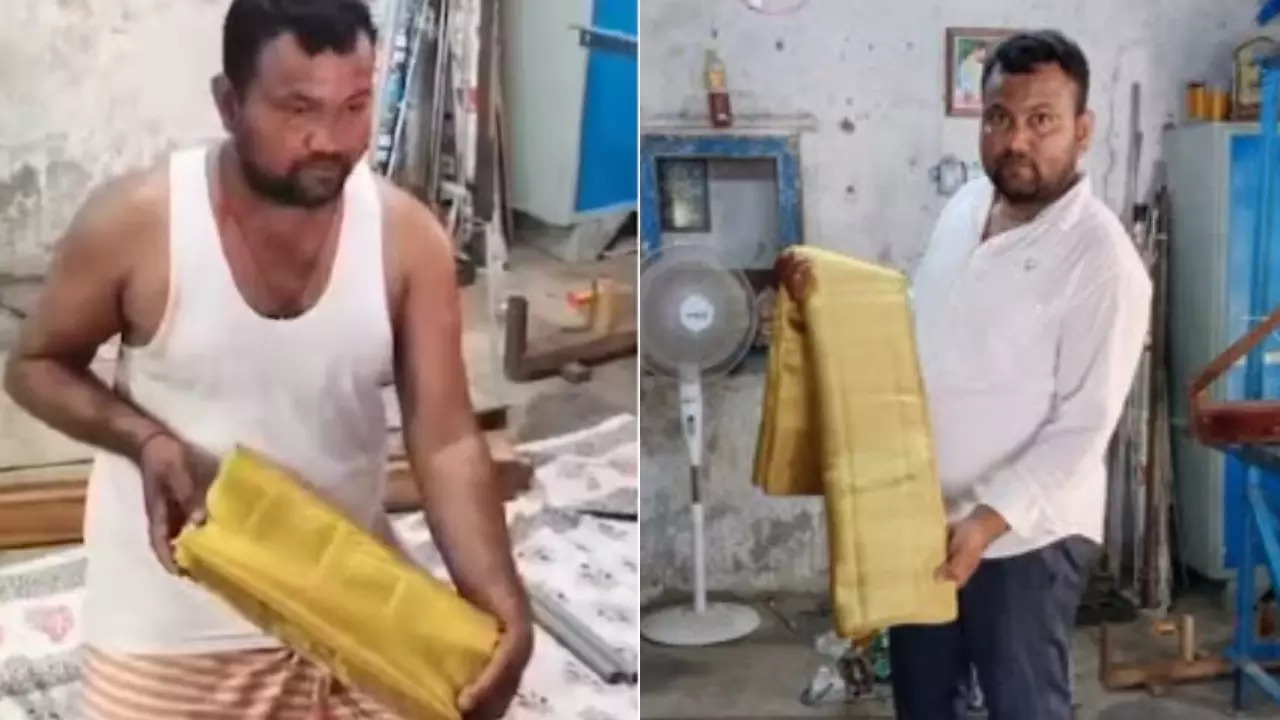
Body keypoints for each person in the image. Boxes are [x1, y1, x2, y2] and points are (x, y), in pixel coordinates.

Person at [3, 1, 531, 717]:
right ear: (229, 103)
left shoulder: (407, 240)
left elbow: (443, 438)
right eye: (297, 109)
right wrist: (145, 438)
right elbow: (34, 366)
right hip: (175, 617)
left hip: (344, 595)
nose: (331, 140)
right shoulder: (139, 223)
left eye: (355, 105)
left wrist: (500, 601)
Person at [776, 30, 1151, 719]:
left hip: (1025, 538)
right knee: (924, 698)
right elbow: (911, 323)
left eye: (1042, 120)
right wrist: (820, 299)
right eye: (1000, 118)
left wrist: (987, 520)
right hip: (923, 515)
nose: (1016, 141)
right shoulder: (964, 209)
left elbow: (1083, 427)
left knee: (1022, 703)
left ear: (1083, 129)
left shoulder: (1101, 261)